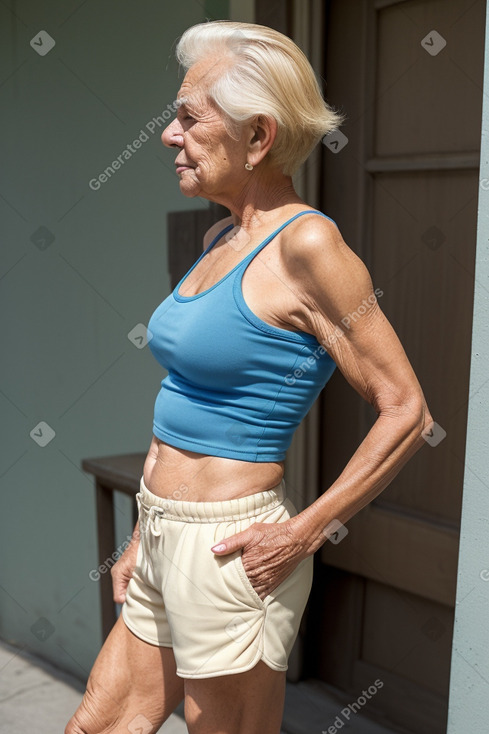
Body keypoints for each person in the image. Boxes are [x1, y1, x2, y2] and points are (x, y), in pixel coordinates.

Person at [66, 19, 434, 734]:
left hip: (230, 548)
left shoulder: (308, 244)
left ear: (258, 137)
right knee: (98, 726)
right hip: (164, 532)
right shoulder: (216, 238)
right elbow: (182, 396)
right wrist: (145, 532)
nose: (169, 135)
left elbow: (405, 409)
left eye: (187, 118)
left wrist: (304, 532)